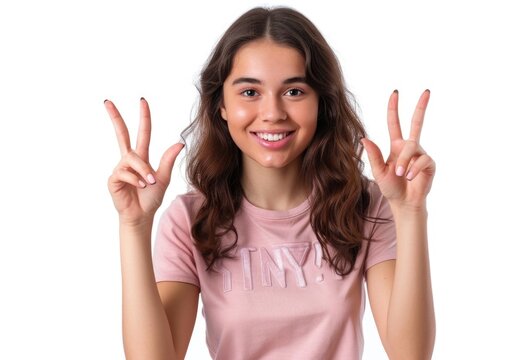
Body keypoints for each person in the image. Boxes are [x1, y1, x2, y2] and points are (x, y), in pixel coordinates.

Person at [105, 6, 436, 360]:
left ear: (321, 103)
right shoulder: (190, 220)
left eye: (294, 91)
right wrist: (134, 225)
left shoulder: (363, 204)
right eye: (250, 93)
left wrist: (411, 211)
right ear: (222, 106)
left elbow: (410, 355)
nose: (273, 113)